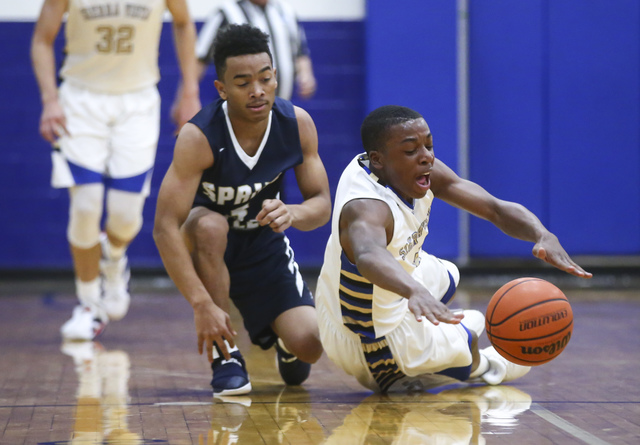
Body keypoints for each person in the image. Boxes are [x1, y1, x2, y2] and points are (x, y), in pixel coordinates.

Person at [315, 105, 592, 393]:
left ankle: (430, 340)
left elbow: (494, 209)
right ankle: (483, 368)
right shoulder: (366, 207)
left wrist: (542, 233)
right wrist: (414, 291)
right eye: (411, 150)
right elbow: (368, 255)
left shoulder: (404, 168)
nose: (426, 157)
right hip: (368, 333)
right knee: (469, 336)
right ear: (378, 160)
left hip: (353, 288)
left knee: (449, 275)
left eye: (429, 145)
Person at [153, 24, 331, 396]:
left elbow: (321, 204)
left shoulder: (296, 124)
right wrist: (200, 303)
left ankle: (283, 340)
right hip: (207, 240)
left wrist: (293, 213)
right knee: (211, 226)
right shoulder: (199, 137)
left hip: (261, 244)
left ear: (276, 77)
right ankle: (226, 356)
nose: (257, 90)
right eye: (243, 82)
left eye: (266, 78)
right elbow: (165, 226)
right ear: (221, 89)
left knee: (311, 345)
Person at [30, 0, 201, 341]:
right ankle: (89, 302)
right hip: (80, 100)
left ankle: (114, 256)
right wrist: (50, 99)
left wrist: (189, 90)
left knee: (125, 216)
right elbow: (41, 39)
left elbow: (183, 23)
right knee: (85, 206)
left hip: (137, 103)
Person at [194, 0, 316, 101]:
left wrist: (306, 74)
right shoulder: (225, 14)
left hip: (280, 105)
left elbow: (300, 51)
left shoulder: (286, 12)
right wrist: (189, 94)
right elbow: (200, 57)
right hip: (240, 112)